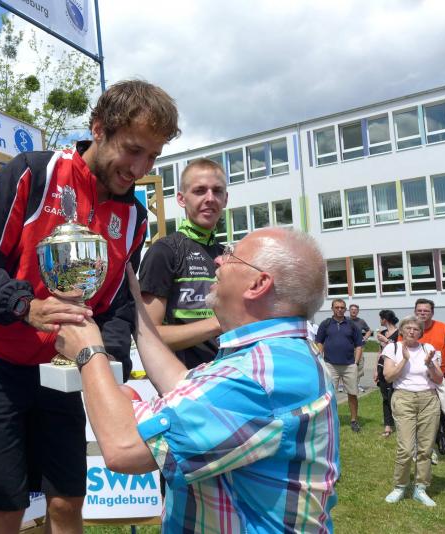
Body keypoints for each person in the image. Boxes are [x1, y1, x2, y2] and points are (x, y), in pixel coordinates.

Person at [0, 80, 180, 534]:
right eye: (133, 150)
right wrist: (26, 307)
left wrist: (107, 364)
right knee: (6, 507)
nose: (140, 168)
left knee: (67, 500)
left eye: (153, 157)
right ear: (98, 129)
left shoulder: (134, 217)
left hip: (63, 370)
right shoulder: (32, 173)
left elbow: (116, 303)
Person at [54, 227, 339, 532]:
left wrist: (88, 351)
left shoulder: (260, 375)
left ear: (258, 284)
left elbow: (124, 447)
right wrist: (134, 301)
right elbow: (179, 382)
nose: (218, 260)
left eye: (231, 255)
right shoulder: (276, 357)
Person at [137, 158, 226, 369]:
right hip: (184, 380)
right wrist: (219, 323)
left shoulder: (228, 255)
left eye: (217, 191)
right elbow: (148, 335)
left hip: (228, 375)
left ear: (225, 199)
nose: (210, 198)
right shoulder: (164, 252)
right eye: (199, 191)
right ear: (181, 199)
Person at [382, 316, 443, 506]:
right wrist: (404, 360)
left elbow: (439, 379)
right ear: (401, 330)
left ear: (420, 333)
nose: (411, 331)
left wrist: (430, 363)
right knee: (406, 448)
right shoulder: (392, 348)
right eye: (408, 328)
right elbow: (388, 377)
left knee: (426, 448)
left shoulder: (428, 349)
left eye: (416, 329)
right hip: (404, 398)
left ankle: (420, 488)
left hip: (428, 399)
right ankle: (400, 486)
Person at [316, 298, 365, 432]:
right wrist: (321, 358)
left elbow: (359, 345)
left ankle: (354, 420)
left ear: (345, 309)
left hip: (349, 365)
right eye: (337, 307)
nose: (339, 309)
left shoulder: (352, 325)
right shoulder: (325, 324)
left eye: (342, 307)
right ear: (332, 308)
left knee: (352, 394)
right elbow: (319, 341)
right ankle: (329, 420)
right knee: (329, 395)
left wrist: (356, 362)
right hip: (330, 365)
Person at [413, 298, 445, 455]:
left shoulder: (443, 328)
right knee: (424, 412)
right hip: (417, 380)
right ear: (415, 312)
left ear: (432, 313)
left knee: (444, 407)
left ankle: (441, 434)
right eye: (419, 310)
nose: (422, 313)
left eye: (426, 311)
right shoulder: (410, 329)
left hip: (439, 377)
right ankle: (439, 437)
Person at [375, 309, 399, 438]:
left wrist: (386, 340)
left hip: (394, 368)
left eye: (381, 318)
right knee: (385, 398)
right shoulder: (382, 333)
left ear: (385, 319)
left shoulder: (399, 333)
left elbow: (399, 348)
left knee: (394, 397)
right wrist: (375, 370)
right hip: (381, 367)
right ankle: (388, 426)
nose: (380, 320)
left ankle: (400, 423)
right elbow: (380, 352)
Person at [349, 303, 372, 392]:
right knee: (345, 365)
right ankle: (343, 384)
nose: (354, 311)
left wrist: (365, 338)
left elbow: (369, 331)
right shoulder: (345, 320)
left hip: (359, 347)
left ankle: (357, 384)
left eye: (355, 310)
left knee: (359, 365)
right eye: (352, 309)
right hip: (347, 347)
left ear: (358, 311)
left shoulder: (361, 321)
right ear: (349, 310)